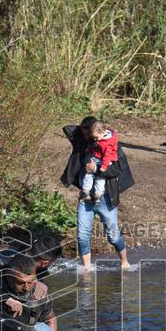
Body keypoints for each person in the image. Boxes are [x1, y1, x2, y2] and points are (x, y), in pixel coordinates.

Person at [60, 117, 134, 273]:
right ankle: (86, 269)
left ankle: (125, 262)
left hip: (106, 198)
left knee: (113, 237)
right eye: (85, 135)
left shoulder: (112, 146)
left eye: (90, 136)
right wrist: (89, 129)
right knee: (82, 236)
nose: (88, 139)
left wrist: (96, 168)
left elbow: (117, 170)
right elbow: (68, 128)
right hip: (85, 199)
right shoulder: (82, 143)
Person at [80, 120, 119, 203]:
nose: (95, 139)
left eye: (96, 137)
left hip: (104, 161)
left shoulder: (107, 144)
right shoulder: (98, 137)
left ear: (104, 132)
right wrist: (89, 148)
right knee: (88, 174)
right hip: (96, 157)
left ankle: (98, 194)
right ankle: (85, 191)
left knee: (100, 178)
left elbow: (107, 156)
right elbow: (93, 144)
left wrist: (103, 166)